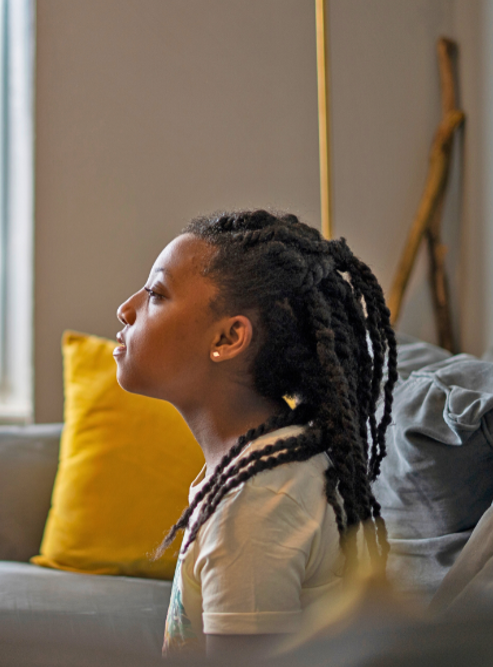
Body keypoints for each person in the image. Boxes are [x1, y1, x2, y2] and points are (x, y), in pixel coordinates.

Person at [113, 210, 398, 659]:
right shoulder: (248, 472)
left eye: (157, 294)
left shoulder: (257, 502)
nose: (126, 309)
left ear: (228, 338)